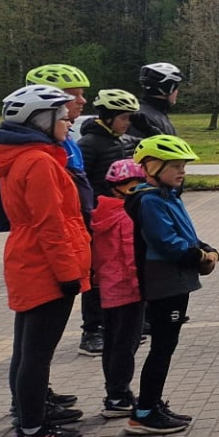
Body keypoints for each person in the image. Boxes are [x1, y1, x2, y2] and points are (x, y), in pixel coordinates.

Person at [0, 84, 92, 437]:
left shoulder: (24, 156)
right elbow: (51, 224)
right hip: (44, 265)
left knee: (27, 349)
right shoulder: (38, 162)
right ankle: (33, 430)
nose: (70, 123)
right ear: (40, 120)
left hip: (29, 259)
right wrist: (69, 274)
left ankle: (29, 419)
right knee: (36, 352)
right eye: (63, 117)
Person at [125, 134, 216, 436]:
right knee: (162, 347)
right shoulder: (150, 200)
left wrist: (206, 247)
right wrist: (199, 256)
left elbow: (185, 234)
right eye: (175, 166)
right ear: (152, 166)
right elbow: (166, 242)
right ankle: (145, 412)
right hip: (164, 281)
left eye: (183, 166)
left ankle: (151, 404)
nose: (182, 171)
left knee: (166, 345)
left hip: (175, 280)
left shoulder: (167, 196)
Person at [25, 65, 99, 355]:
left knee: (37, 347)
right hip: (52, 252)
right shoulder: (42, 153)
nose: (82, 101)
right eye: (73, 95)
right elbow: (50, 217)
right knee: (36, 346)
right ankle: (92, 331)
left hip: (74, 238)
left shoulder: (66, 140)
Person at [75, 87, 139, 358]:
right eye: (124, 117)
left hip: (123, 217)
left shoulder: (124, 141)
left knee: (121, 271)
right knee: (97, 276)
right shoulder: (89, 144)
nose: (128, 123)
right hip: (99, 220)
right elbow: (80, 183)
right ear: (108, 117)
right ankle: (91, 331)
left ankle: (121, 324)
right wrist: (90, 213)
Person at [92, 159, 147, 421]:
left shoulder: (101, 212)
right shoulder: (126, 217)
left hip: (108, 288)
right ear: (120, 188)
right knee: (126, 344)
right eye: (135, 185)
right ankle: (119, 395)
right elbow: (131, 256)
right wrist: (142, 287)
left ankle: (113, 392)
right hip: (128, 290)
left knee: (112, 343)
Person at [129, 62, 182, 139]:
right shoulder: (145, 119)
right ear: (168, 89)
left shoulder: (142, 113)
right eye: (176, 88)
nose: (177, 92)